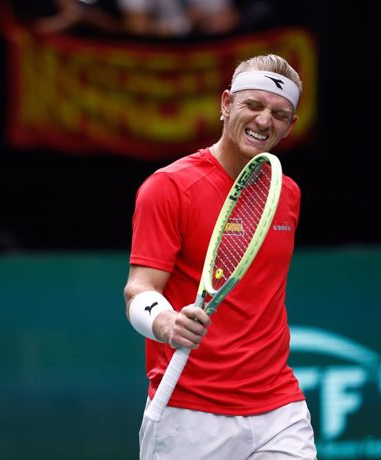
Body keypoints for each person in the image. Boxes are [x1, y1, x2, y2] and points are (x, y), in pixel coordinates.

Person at [123, 54, 316, 459]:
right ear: (226, 104)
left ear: (291, 125)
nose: (265, 121)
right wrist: (165, 321)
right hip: (188, 413)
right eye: (254, 106)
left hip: (279, 408)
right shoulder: (168, 187)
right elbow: (139, 291)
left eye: (279, 113)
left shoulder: (288, 194)